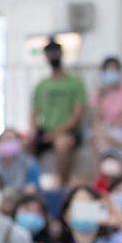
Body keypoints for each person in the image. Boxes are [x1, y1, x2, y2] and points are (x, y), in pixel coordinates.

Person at [28, 38, 87, 188]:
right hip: (45, 131)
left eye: (55, 52)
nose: (53, 56)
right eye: (50, 53)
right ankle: (29, 186)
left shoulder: (75, 83)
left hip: (68, 132)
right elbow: (34, 112)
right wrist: (34, 133)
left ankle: (62, 186)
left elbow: (78, 113)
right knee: (24, 146)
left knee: (62, 144)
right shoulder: (41, 85)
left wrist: (57, 132)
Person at [90, 55, 122, 154]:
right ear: (103, 73)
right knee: (97, 140)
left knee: (101, 141)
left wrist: (109, 126)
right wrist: (100, 99)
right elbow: (96, 119)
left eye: (114, 70)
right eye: (109, 70)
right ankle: (107, 164)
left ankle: (106, 163)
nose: (112, 73)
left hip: (119, 132)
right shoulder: (98, 94)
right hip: (100, 132)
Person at [0, 128, 40, 200]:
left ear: (19, 143)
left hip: (21, 201)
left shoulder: (30, 163)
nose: (8, 142)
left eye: (11, 139)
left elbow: (32, 188)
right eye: (5, 140)